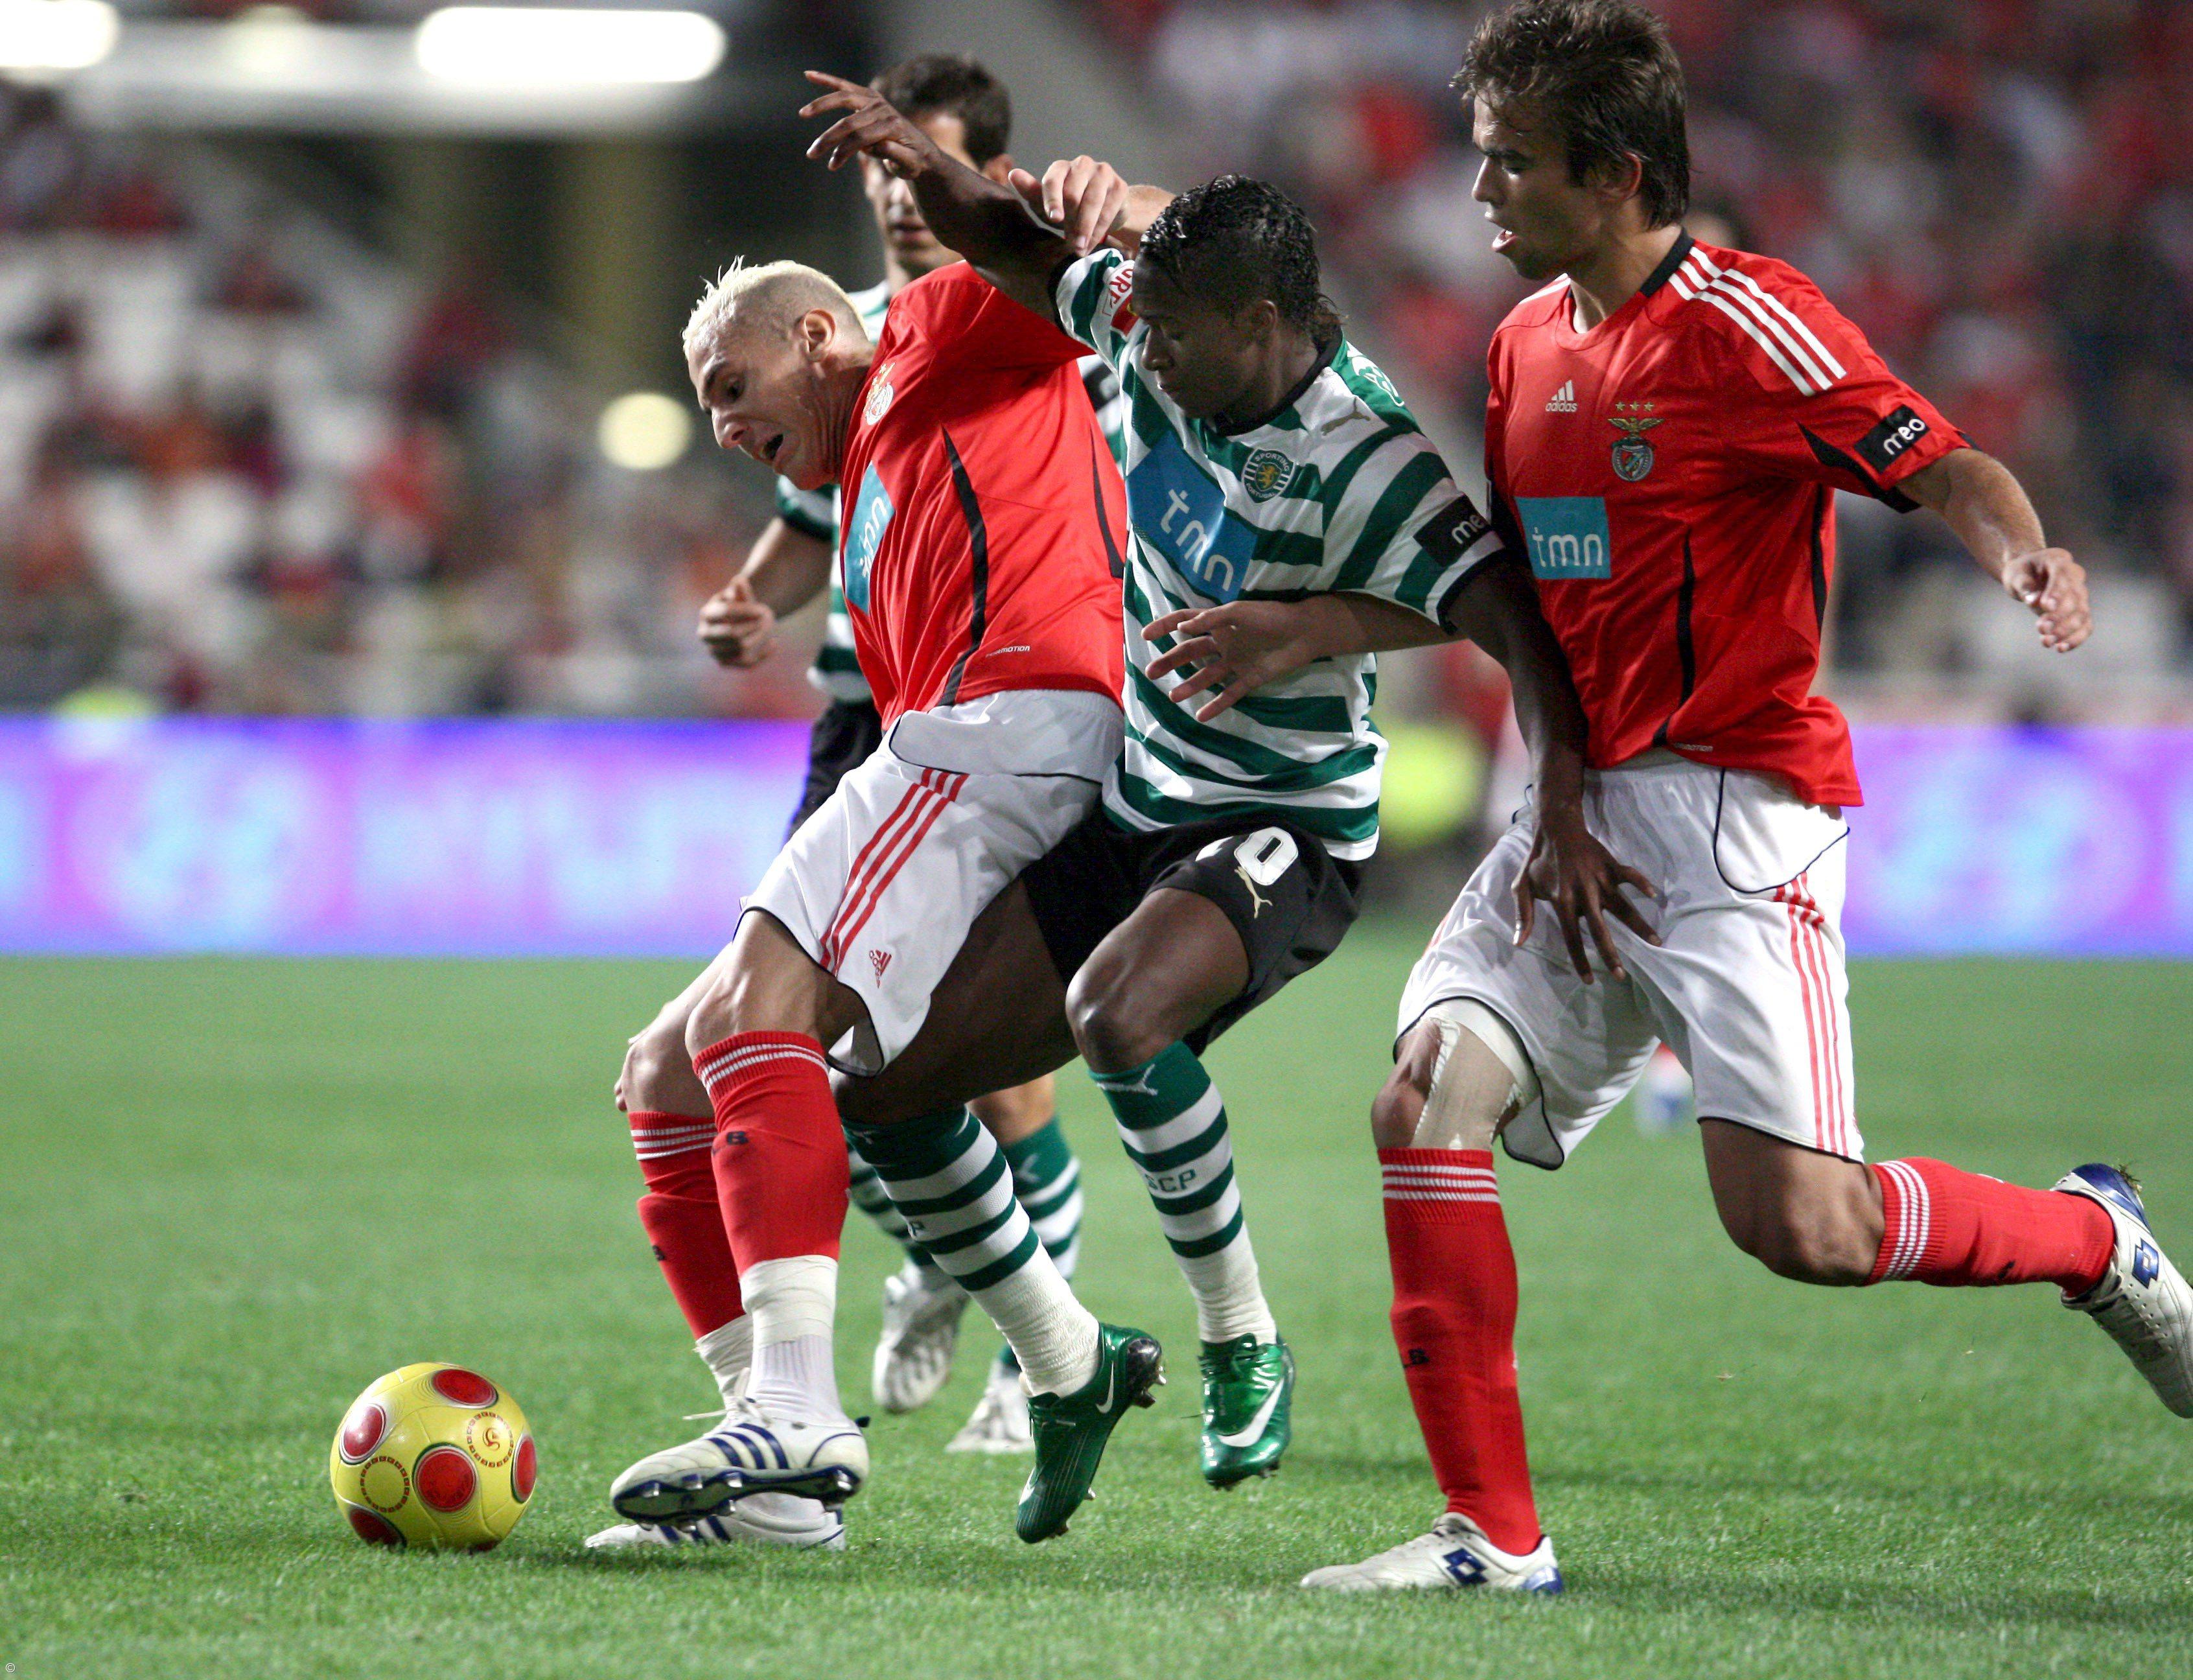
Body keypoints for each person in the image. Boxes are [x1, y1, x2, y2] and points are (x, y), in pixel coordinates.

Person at [1298, 0, 2190, 1594]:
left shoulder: (1748, 326)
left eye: (1512, 167)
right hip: (1573, 814)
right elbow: (1530, 604)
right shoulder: (1519, 347)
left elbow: (1943, 465)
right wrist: (1546, 784)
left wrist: (2026, 556)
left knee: (1805, 1229)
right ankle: (1490, 1541)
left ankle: (2091, 1240)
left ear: (1619, 172)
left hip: (1733, 822)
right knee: (1425, 1091)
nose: (1478, 195)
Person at [799, 76, 1642, 1541]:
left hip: (1285, 826)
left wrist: (1318, 635)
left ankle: (1240, 1337)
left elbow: (1513, 614)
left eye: (1181, 337)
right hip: (1137, 797)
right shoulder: (1145, 316)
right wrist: (913, 151)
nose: (1148, 355)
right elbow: (1002, 232)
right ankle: (1069, 1363)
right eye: (1147, 325)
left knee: (1121, 1015)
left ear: (1263, 327)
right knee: (871, 1085)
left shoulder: (1364, 453)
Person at [634, 58, 1120, 1515]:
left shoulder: (934, 329)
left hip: (1003, 731)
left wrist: (1030, 189)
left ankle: (798, 1413)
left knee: (754, 1018)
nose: (721, 422)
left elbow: (1067, 255)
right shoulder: (864, 462)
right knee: (666, 1074)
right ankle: (787, 1466)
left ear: (816, 332)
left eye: (732, 387)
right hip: (950, 747)